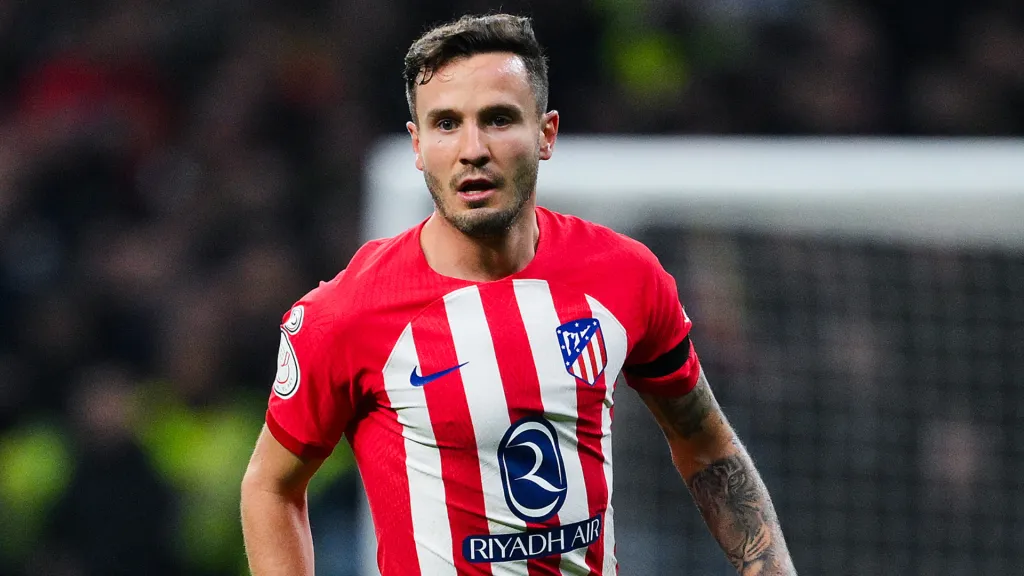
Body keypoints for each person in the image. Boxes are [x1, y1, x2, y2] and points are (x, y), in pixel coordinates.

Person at [241, 13, 796, 576]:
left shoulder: (625, 276)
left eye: (498, 119)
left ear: (546, 133)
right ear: (417, 145)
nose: (472, 148)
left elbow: (707, 445)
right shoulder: (347, 313)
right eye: (446, 124)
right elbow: (270, 488)